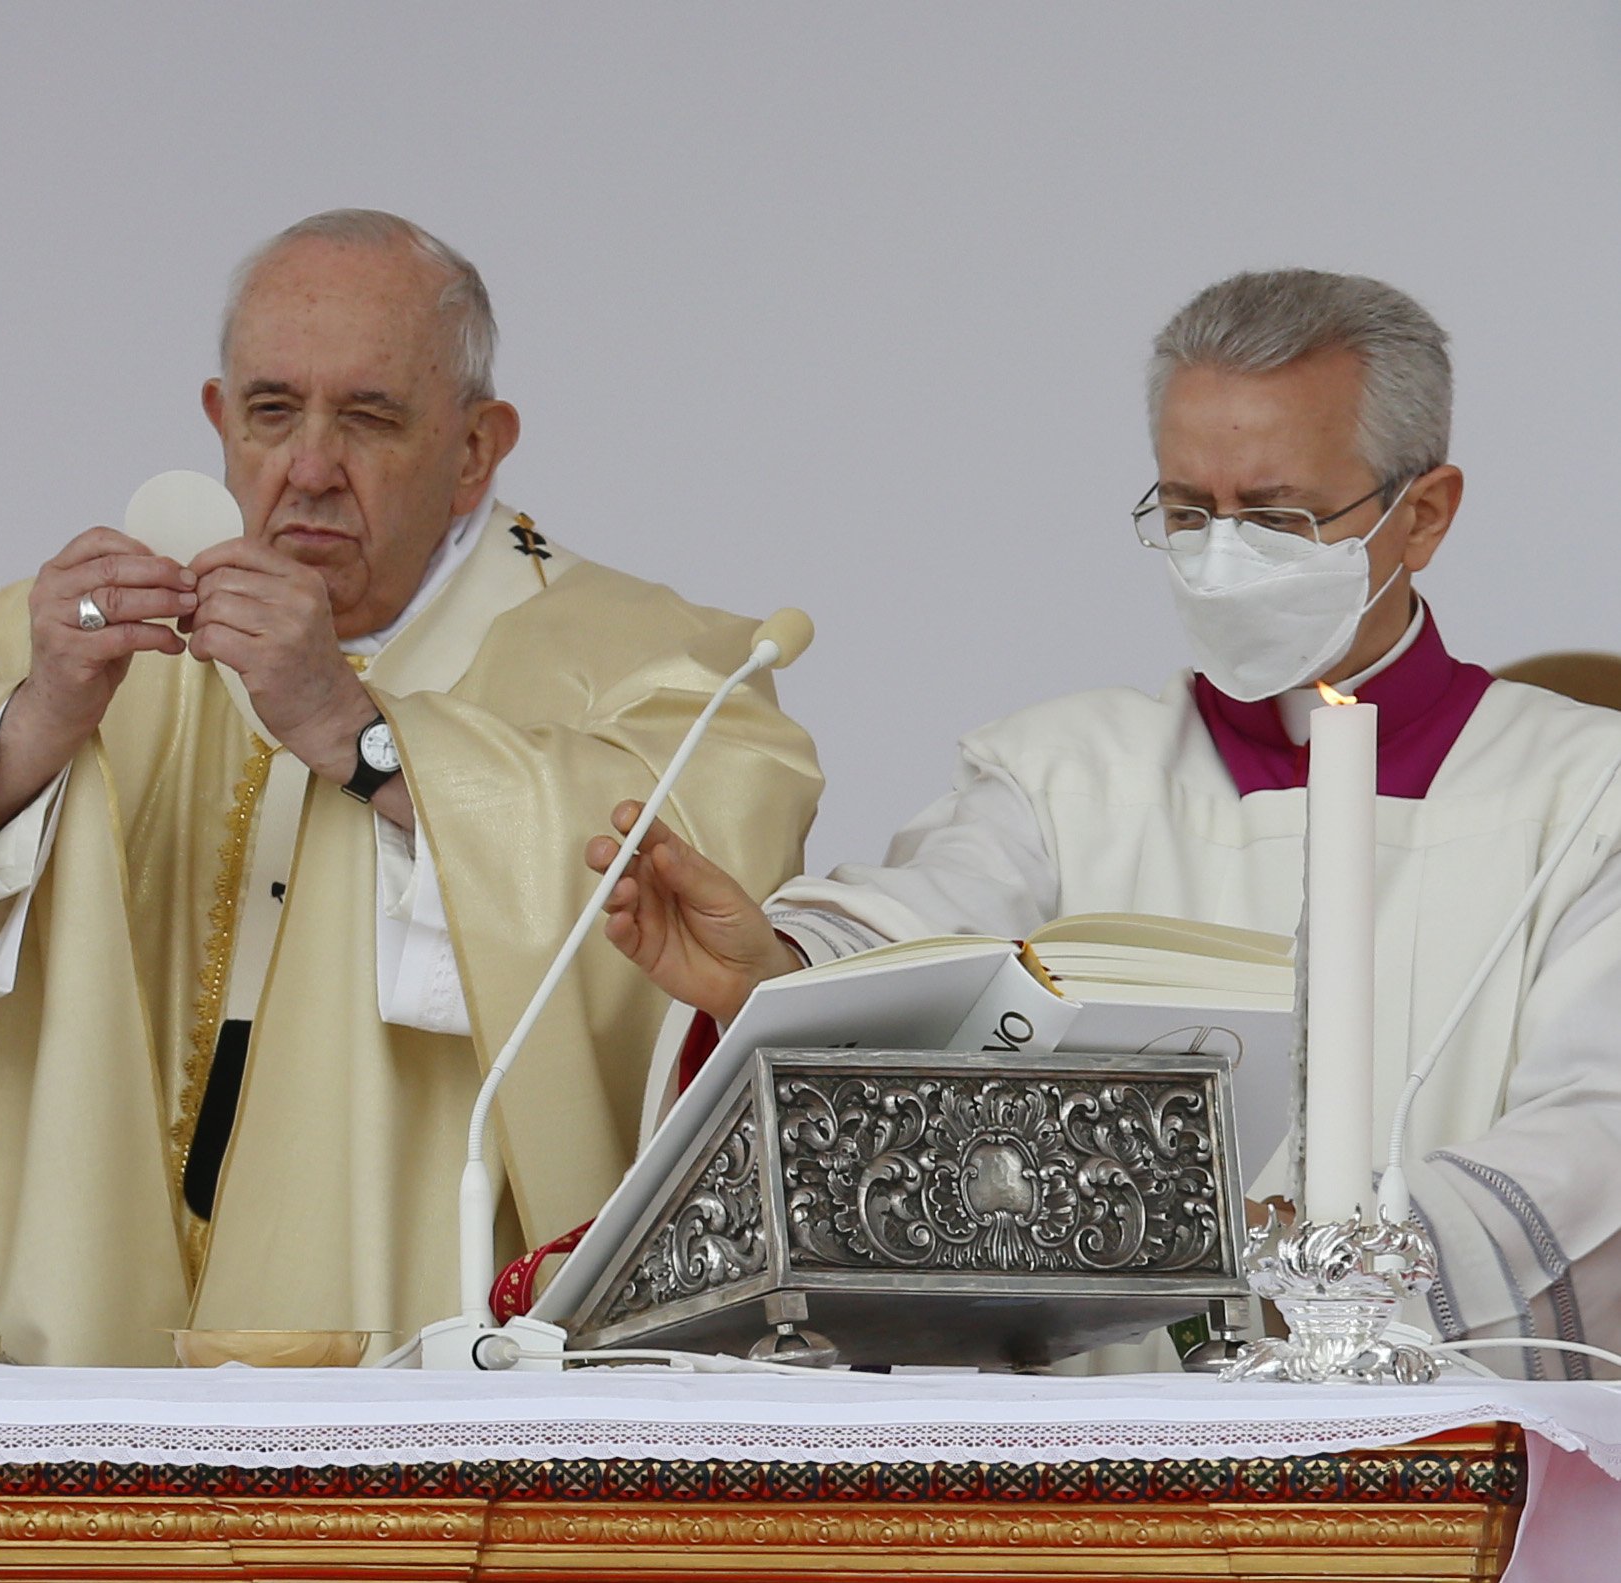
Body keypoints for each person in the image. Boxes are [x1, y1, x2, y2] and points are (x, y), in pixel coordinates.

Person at [0, 209, 823, 1364]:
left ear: (475, 448)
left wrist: (367, 741)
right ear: (218, 420)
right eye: (271, 411)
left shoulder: (641, 651)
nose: (308, 467)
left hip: (431, 1323)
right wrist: (38, 720)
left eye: (368, 417)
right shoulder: (92, 641)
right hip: (98, 1304)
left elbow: (709, 852)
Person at [587, 269, 1621, 1377]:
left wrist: (1325, 1288)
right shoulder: (1064, 773)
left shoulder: (1585, 791)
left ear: (1424, 512)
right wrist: (776, 972)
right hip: (1102, 1462)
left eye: (1275, 516)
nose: (1223, 557)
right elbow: (926, 939)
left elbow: (1596, 1126)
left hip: (1423, 1428)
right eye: (1187, 512)